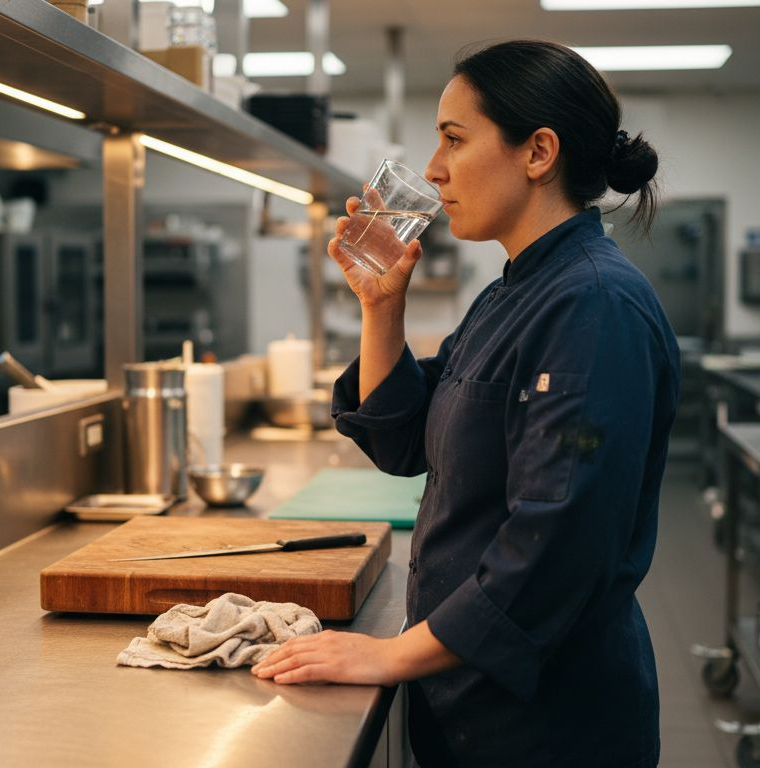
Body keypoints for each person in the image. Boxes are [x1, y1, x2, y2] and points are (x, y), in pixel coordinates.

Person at [252, 39, 680, 768]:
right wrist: (380, 307)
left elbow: (558, 547)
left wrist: (391, 656)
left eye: (454, 138)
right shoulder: (512, 292)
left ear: (538, 152)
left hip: (549, 726)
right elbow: (407, 439)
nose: (432, 169)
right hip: (469, 702)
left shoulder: (595, 307)